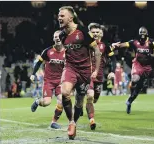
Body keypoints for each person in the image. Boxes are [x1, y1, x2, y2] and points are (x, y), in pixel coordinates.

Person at [58, 6, 101, 139]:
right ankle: (71, 122)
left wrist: (96, 70)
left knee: (78, 102)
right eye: (58, 16)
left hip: (85, 72)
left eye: (62, 16)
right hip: (70, 68)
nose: (59, 18)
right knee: (65, 92)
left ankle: (74, 122)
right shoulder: (61, 35)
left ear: (70, 18)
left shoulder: (82, 32)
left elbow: (97, 51)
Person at [112, 26, 154, 114]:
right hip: (137, 64)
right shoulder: (134, 42)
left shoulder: (152, 42)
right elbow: (124, 44)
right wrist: (117, 45)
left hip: (148, 67)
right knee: (135, 79)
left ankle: (130, 101)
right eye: (141, 33)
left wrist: (151, 55)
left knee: (139, 88)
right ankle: (131, 93)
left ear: (147, 34)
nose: (142, 35)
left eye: (144, 33)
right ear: (138, 34)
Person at [82, 23, 116, 130]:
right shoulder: (84, 44)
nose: (95, 34)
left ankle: (85, 106)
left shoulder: (105, 45)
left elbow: (113, 59)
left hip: (99, 76)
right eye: (93, 32)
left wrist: (112, 71)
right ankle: (92, 120)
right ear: (89, 33)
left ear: (100, 33)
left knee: (95, 99)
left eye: (97, 32)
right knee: (90, 96)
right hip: (87, 75)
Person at [30, 30, 65, 129]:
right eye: (55, 37)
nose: (57, 38)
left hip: (60, 82)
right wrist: (33, 74)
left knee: (62, 101)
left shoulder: (67, 52)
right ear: (53, 39)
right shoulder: (47, 51)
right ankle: (37, 102)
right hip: (48, 81)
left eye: (59, 36)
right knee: (46, 103)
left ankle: (53, 122)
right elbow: (38, 63)